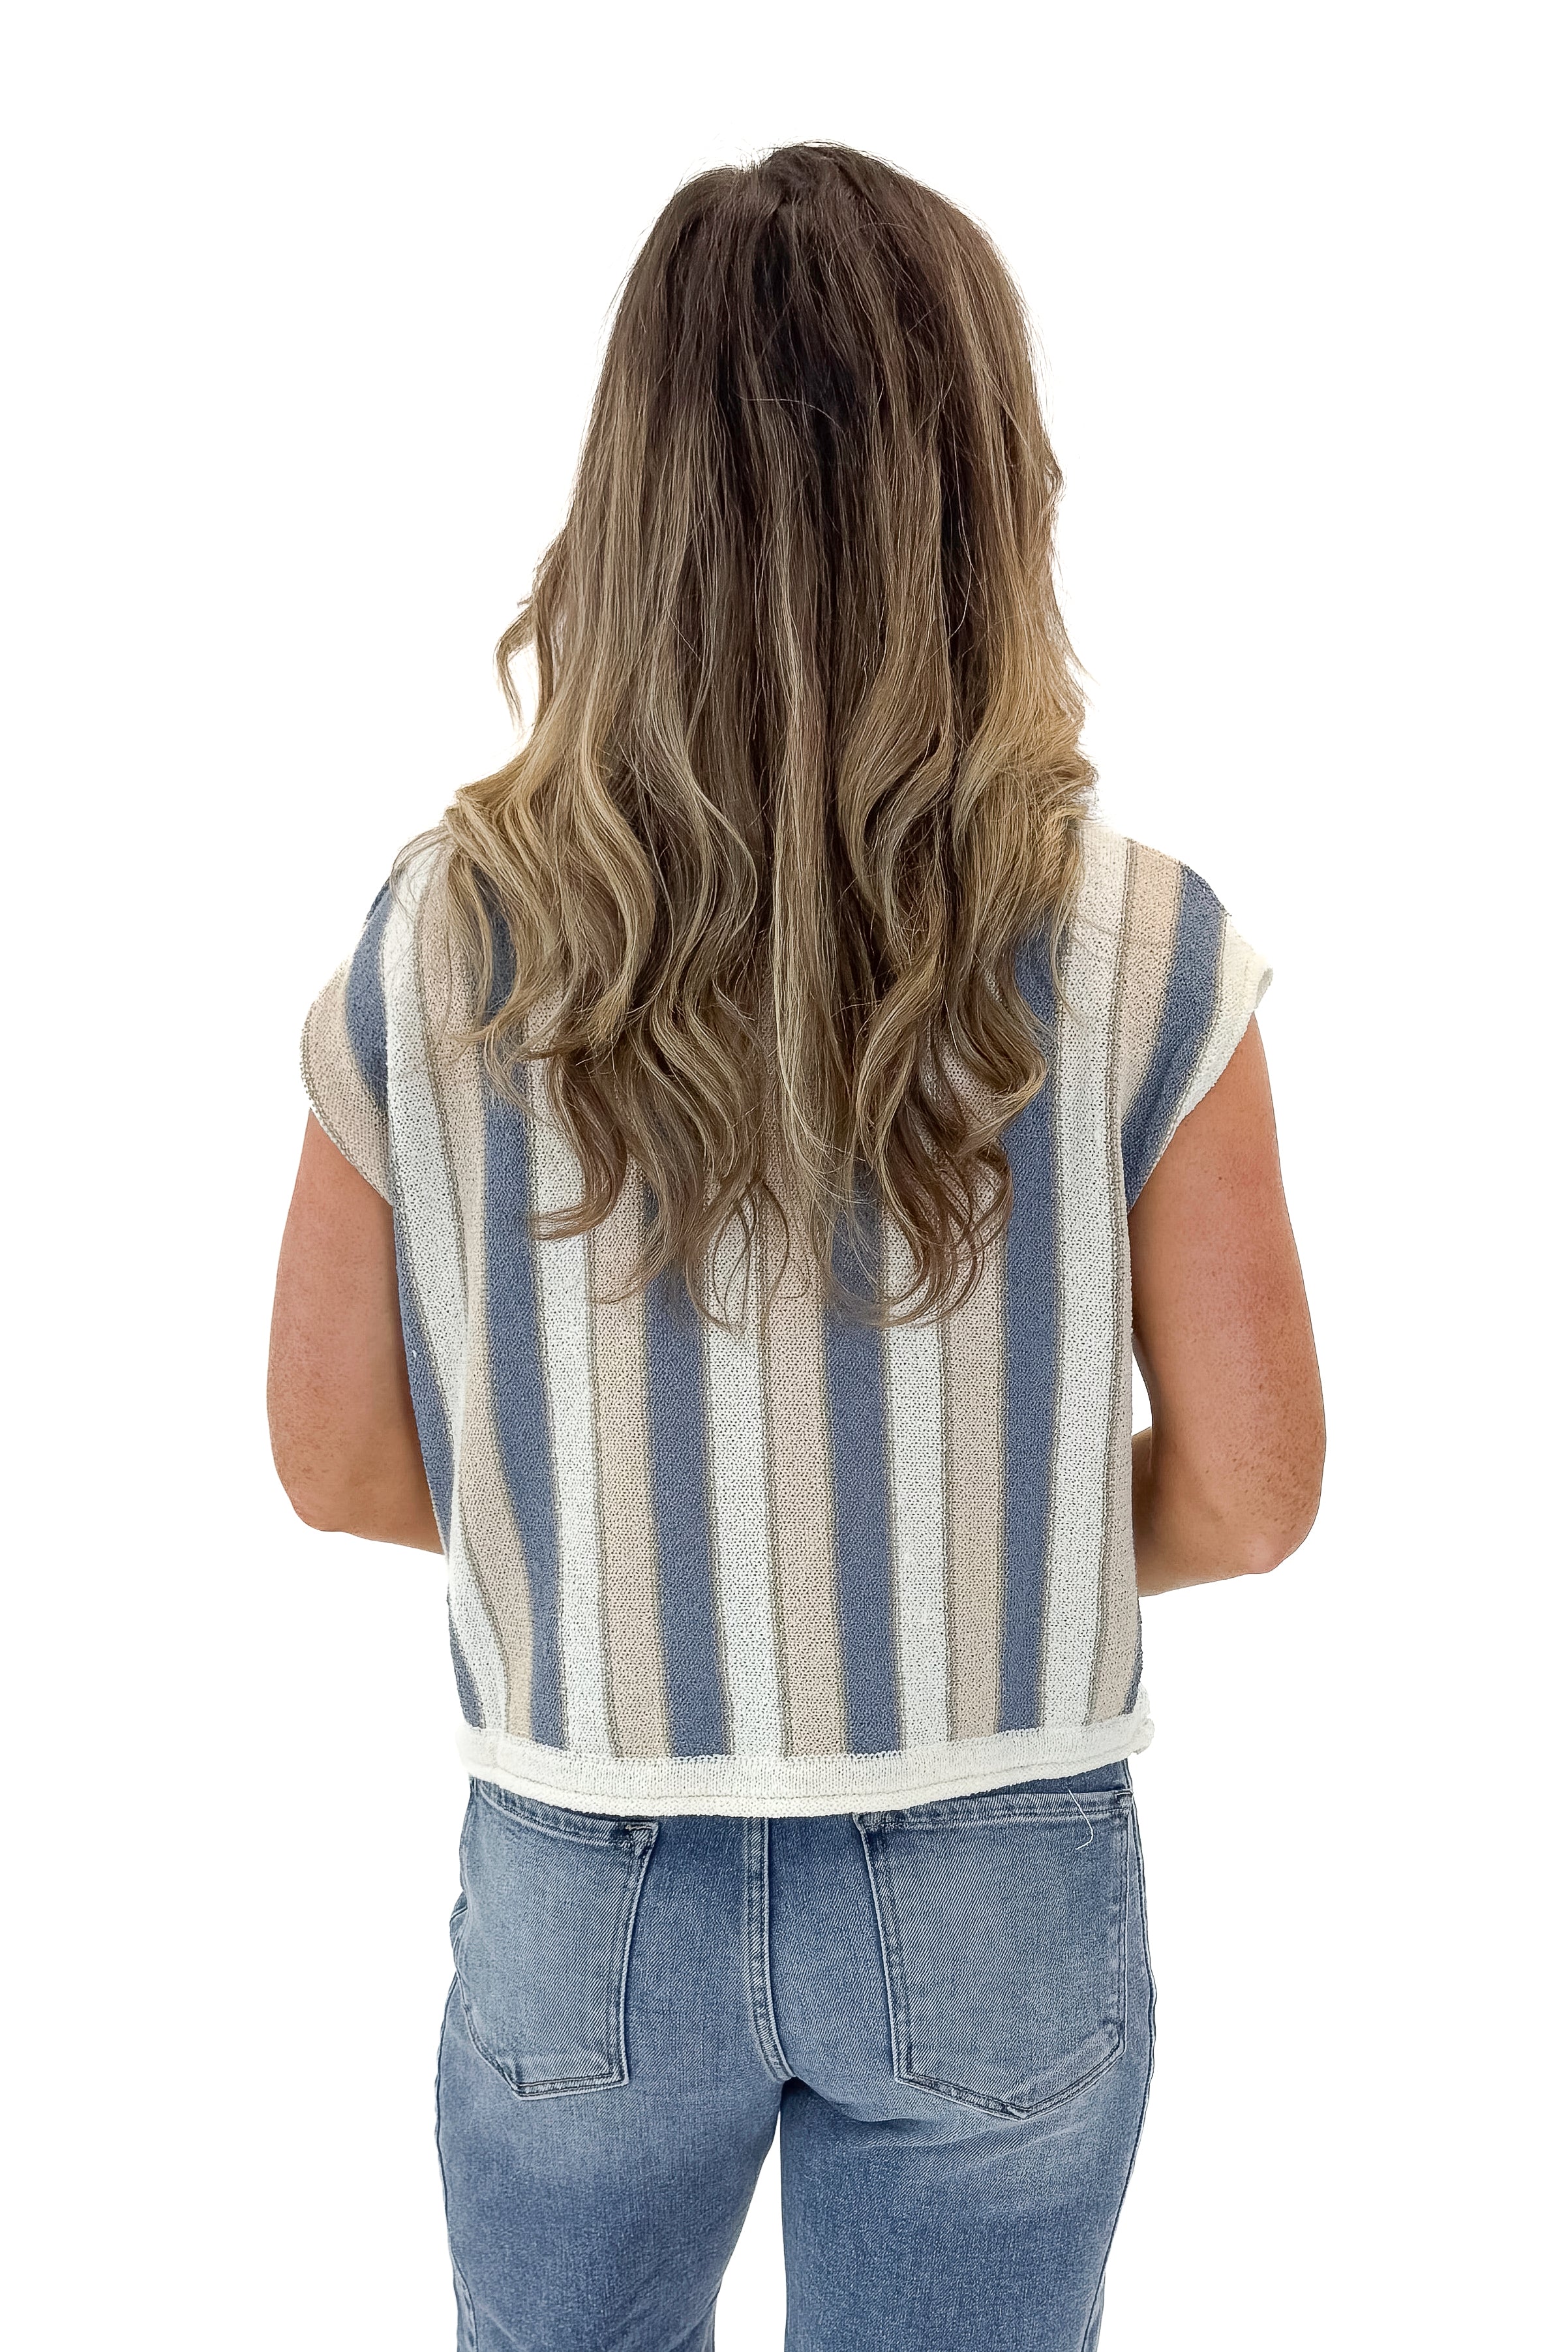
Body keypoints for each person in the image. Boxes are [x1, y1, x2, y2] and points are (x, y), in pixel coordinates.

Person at [267, 142, 1324, 2352]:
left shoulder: (444, 933)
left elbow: (335, 1459)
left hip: (586, 1871)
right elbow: (1248, 1486)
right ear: (984, 479)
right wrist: (961, 1549)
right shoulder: (1137, 942)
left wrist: (631, 1542)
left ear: (626, 491)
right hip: (997, 1866)